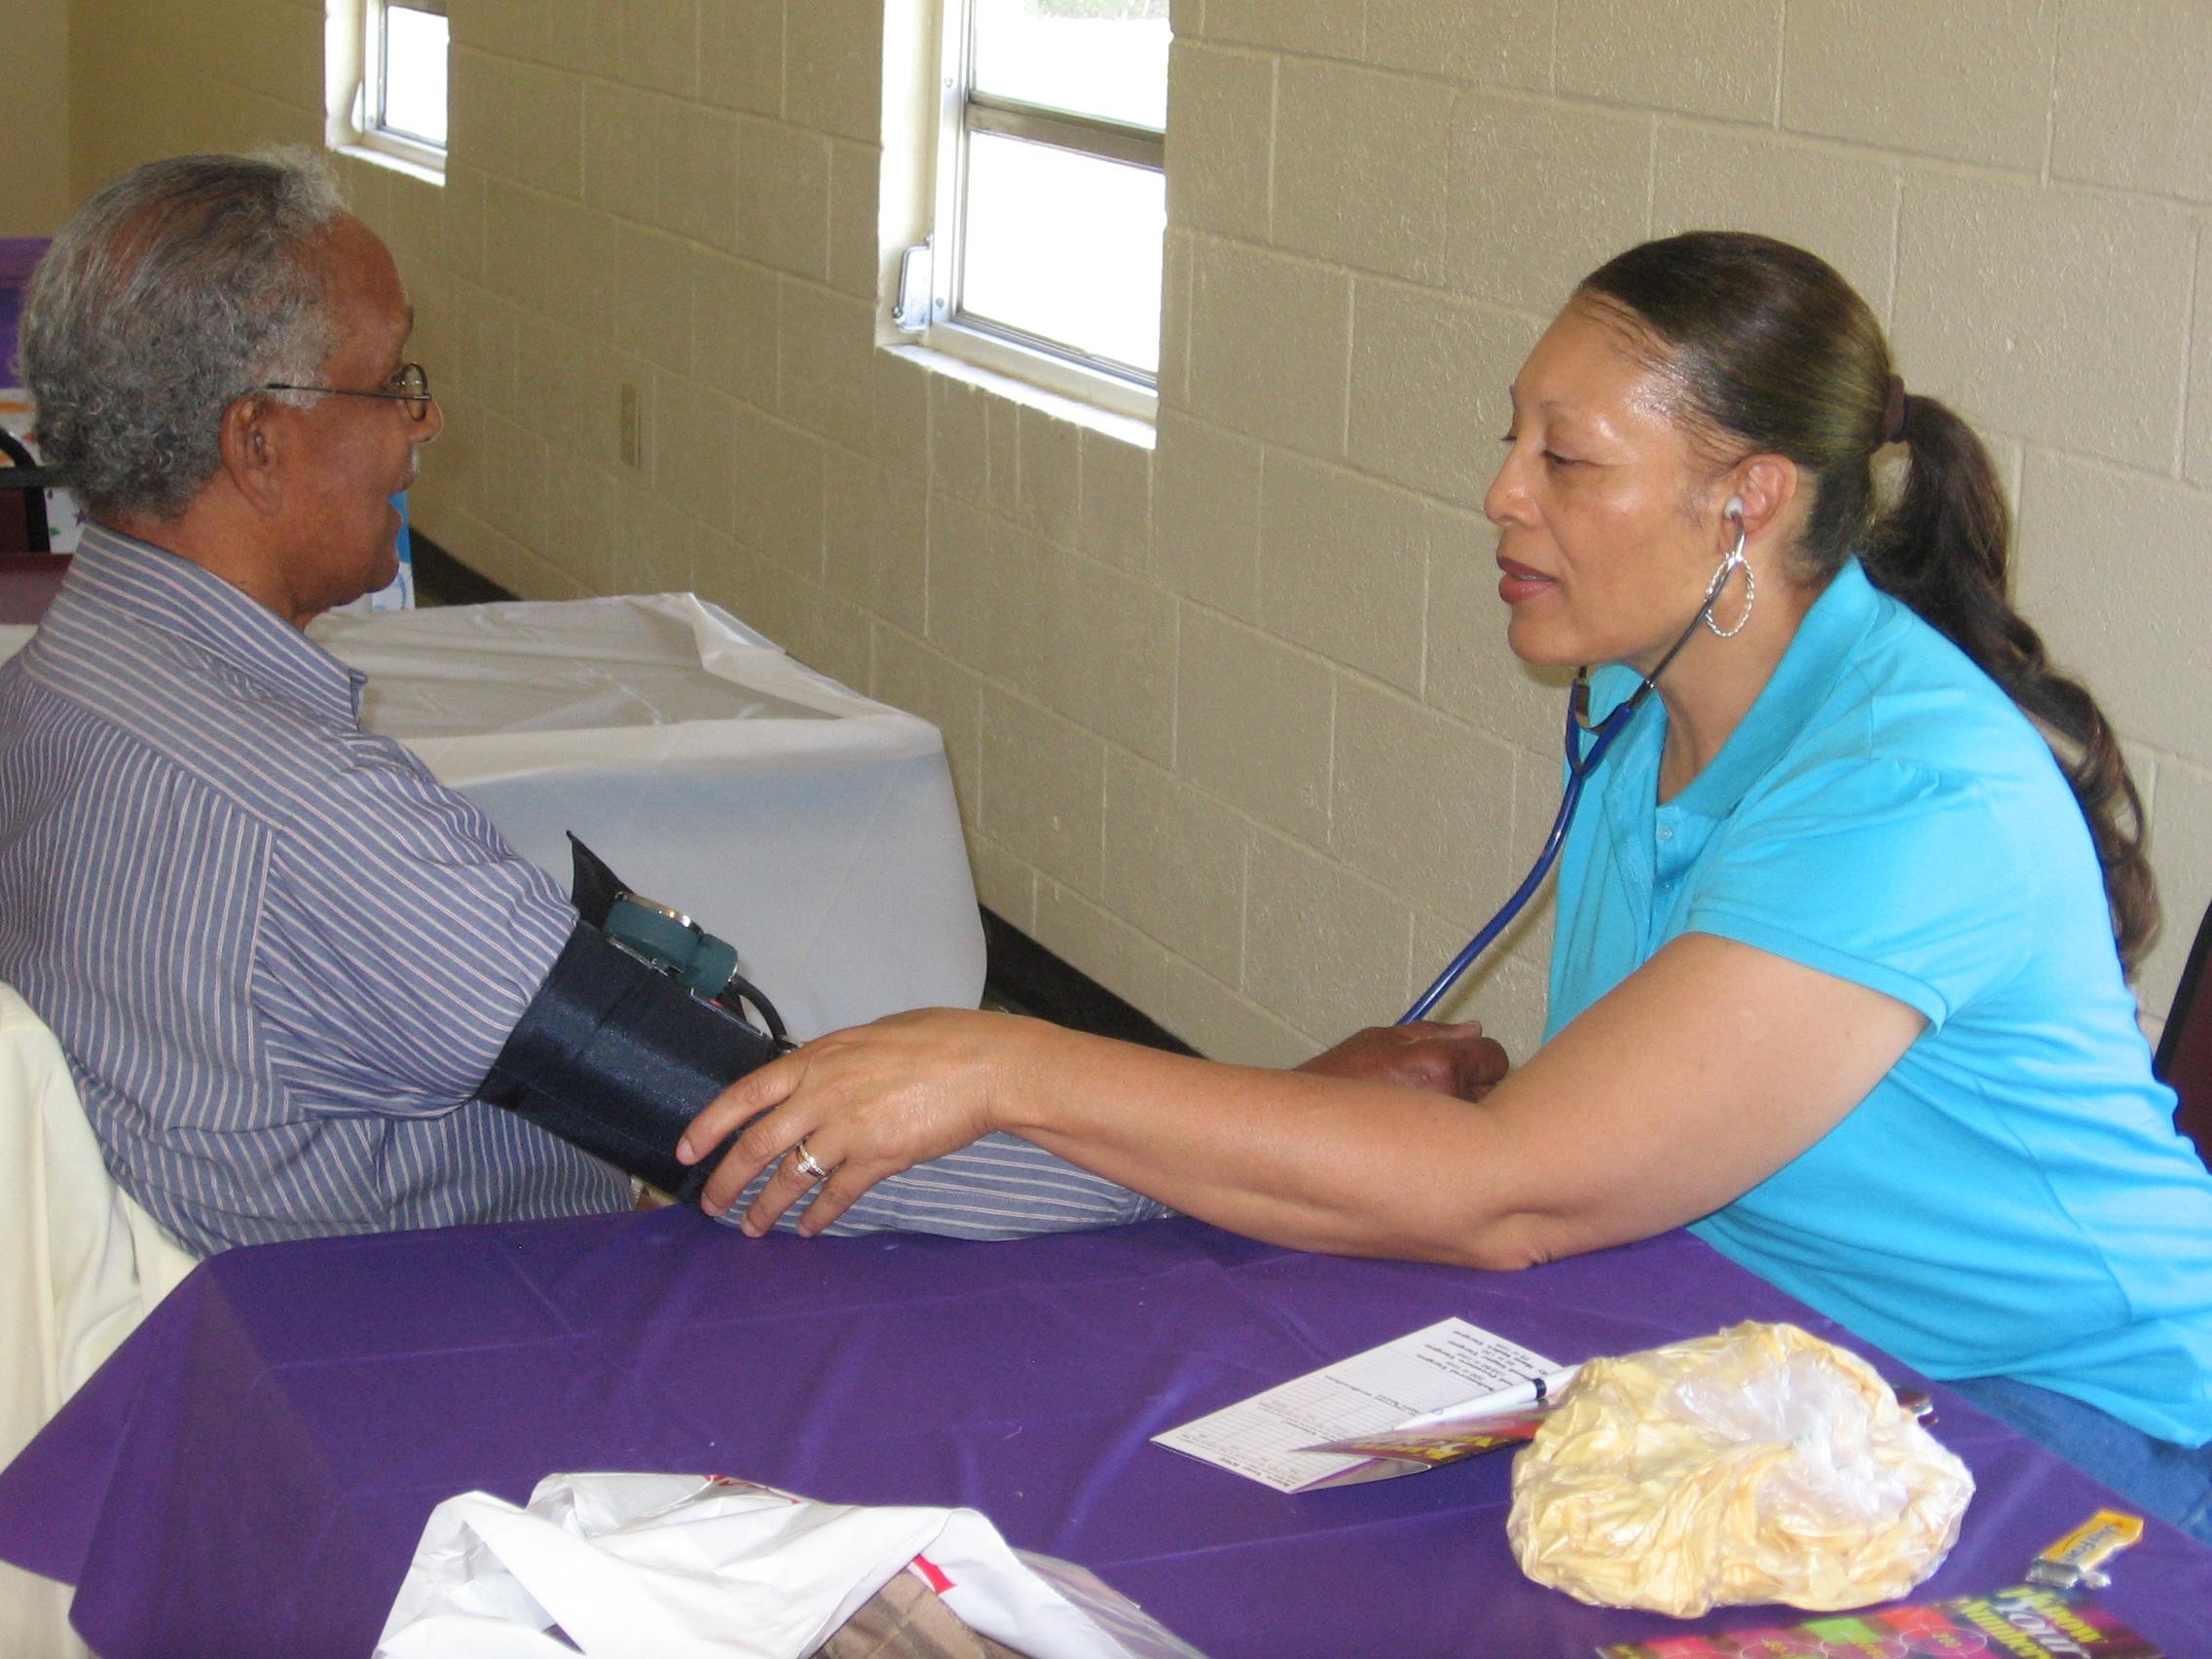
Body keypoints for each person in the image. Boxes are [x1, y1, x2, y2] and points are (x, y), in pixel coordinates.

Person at [682, 232, 2212, 1541]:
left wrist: (1006, 1062)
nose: (1500, 495)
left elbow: (1513, 1193)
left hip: (2085, 1424)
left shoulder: (1910, 790)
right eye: (1510, 441)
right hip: (1794, 1354)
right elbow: (1582, 1150)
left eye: (1565, 458)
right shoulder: (1648, 718)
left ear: (1745, 501)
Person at [4, 151, 1298, 1254]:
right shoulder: (316, 819)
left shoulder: (55, 685)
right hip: (409, 1338)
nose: (425, 422)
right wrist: (1260, 1138)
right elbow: (770, 1149)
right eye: (391, 381)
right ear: (257, 442)